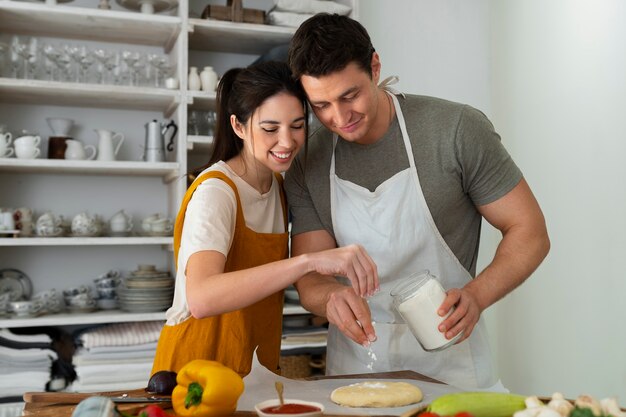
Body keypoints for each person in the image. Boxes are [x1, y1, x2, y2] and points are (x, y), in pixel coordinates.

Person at [285, 13, 550, 389]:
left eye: (350, 96)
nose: (339, 118)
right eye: (321, 105)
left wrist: (477, 296)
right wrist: (330, 298)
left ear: (374, 67)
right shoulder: (307, 158)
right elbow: (310, 273)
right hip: (357, 367)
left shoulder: (456, 130)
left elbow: (530, 231)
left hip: (452, 360)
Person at [151, 61, 378, 377]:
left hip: (254, 367)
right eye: (270, 129)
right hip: (198, 368)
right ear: (239, 126)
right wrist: (308, 261)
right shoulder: (217, 191)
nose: (287, 142)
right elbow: (201, 297)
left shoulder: (279, 187)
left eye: (297, 126)